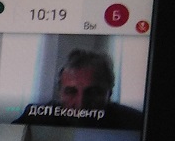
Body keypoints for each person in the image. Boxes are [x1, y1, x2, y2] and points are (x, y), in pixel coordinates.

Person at [13, 49, 142, 129]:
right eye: (71, 92)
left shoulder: (135, 122)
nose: (81, 104)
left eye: (93, 93)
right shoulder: (36, 117)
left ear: (110, 92)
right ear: (59, 92)